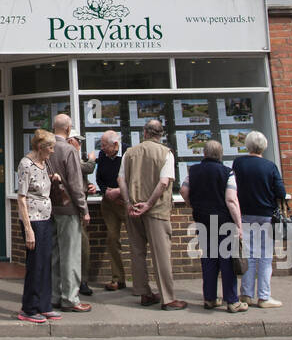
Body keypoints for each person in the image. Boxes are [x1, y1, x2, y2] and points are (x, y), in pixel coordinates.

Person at [118, 119, 186, 310]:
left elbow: (121, 180)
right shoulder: (166, 153)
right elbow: (164, 182)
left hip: (132, 210)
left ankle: (144, 293)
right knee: (161, 254)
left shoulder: (129, 153)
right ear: (160, 134)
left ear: (145, 133)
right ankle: (168, 298)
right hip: (156, 210)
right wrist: (148, 204)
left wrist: (128, 203)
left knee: (137, 253)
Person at [181, 141, 247, 312]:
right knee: (227, 261)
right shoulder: (227, 172)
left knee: (208, 260)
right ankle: (232, 301)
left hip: (203, 220)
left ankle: (209, 298)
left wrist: (192, 204)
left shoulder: (193, 171)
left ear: (204, 153)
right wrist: (239, 225)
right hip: (224, 222)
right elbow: (231, 200)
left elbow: (183, 191)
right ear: (220, 154)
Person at [231, 130, 286, 307]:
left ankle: (246, 293)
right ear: (264, 146)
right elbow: (281, 192)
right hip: (265, 215)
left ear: (247, 145)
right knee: (265, 256)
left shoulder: (238, 163)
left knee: (248, 255)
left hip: (245, 214)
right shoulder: (270, 166)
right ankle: (264, 296)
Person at [49, 114, 91, 312]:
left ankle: (55, 296)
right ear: (67, 129)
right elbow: (75, 184)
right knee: (71, 255)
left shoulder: (45, 148)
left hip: (50, 208)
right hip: (68, 208)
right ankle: (71, 299)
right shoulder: (68, 150)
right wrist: (84, 209)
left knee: (55, 255)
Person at [17, 130, 59, 323]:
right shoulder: (26, 165)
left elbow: (41, 186)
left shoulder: (44, 162)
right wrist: (28, 230)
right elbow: (22, 198)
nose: (52, 151)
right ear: (41, 147)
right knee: (35, 265)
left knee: (45, 263)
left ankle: (44, 305)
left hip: (45, 217)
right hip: (33, 221)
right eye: (50, 147)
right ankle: (29, 308)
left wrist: (53, 179)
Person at [91, 131, 126, 290]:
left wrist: (119, 192)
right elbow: (99, 177)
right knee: (113, 239)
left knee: (136, 240)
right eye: (102, 145)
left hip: (126, 201)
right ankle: (118, 278)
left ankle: (140, 280)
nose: (102, 148)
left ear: (116, 145)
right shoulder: (103, 155)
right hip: (109, 203)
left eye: (105, 145)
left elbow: (133, 178)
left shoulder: (128, 154)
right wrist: (106, 191)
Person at [69, 130, 96, 297]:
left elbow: (82, 178)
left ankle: (82, 280)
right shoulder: (68, 155)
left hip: (79, 207)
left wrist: (90, 186)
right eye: (78, 141)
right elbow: (86, 168)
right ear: (71, 141)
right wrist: (92, 160)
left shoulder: (76, 156)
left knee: (83, 246)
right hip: (71, 207)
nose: (80, 145)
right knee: (74, 246)